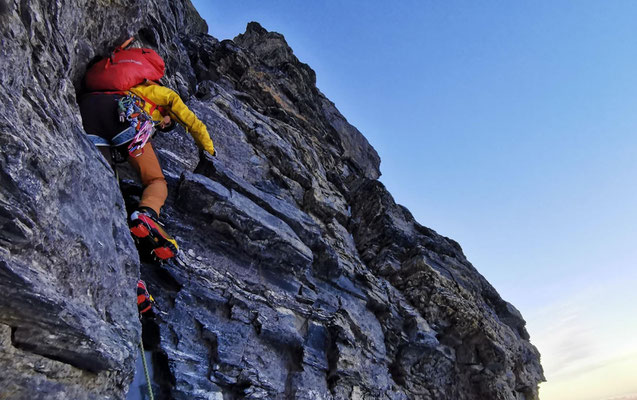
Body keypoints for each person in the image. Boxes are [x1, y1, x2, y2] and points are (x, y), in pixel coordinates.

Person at [79, 79, 215, 261]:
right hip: (126, 116)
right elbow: (195, 124)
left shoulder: (130, 86)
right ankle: (146, 214)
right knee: (155, 180)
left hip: (87, 110)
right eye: (168, 123)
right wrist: (210, 153)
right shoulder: (165, 95)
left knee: (107, 179)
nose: (164, 125)